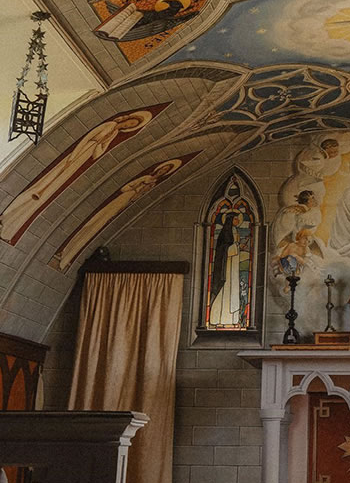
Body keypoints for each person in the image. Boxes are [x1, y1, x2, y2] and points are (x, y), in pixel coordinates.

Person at [0, 110, 154, 245]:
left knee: (48, 193)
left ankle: (11, 227)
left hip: (81, 159)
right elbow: (87, 138)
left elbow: (97, 154)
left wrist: (101, 143)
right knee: (43, 183)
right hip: (72, 158)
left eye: (130, 126)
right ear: (126, 119)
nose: (127, 126)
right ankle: (6, 215)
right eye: (129, 122)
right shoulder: (108, 126)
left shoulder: (113, 135)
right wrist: (73, 156)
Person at [52, 159, 182, 271]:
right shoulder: (146, 178)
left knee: (100, 225)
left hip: (125, 203)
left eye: (165, 171)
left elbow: (138, 199)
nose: (162, 172)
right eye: (162, 169)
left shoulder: (153, 184)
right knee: (93, 222)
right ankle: (64, 251)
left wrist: (135, 197)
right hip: (122, 199)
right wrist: (135, 190)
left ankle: (70, 256)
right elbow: (125, 188)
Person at [208, 213, 251, 328]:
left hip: (234, 266)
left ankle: (233, 320)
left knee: (233, 291)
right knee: (226, 290)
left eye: (238, 219)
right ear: (230, 220)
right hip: (226, 267)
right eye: (236, 218)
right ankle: (217, 319)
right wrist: (237, 247)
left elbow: (233, 246)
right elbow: (223, 249)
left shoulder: (235, 231)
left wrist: (240, 246)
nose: (237, 220)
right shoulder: (226, 232)